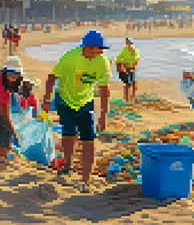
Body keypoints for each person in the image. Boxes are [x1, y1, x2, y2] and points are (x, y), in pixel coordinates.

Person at [42, 30, 111, 193]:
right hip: (65, 100)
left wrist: (103, 116)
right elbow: (52, 77)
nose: (101, 52)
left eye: (102, 49)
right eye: (98, 49)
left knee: (89, 139)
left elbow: (104, 89)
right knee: (69, 132)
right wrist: (46, 99)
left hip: (85, 102)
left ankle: (85, 180)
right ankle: (67, 165)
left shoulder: (103, 62)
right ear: (88, 47)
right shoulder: (69, 58)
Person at [115, 38, 140, 103]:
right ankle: (126, 98)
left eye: (129, 43)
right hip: (126, 68)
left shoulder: (135, 50)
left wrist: (133, 66)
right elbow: (119, 58)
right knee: (127, 84)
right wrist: (121, 67)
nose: (129, 45)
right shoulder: (124, 49)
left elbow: (137, 59)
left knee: (133, 83)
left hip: (131, 68)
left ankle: (133, 96)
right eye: (127, 43)